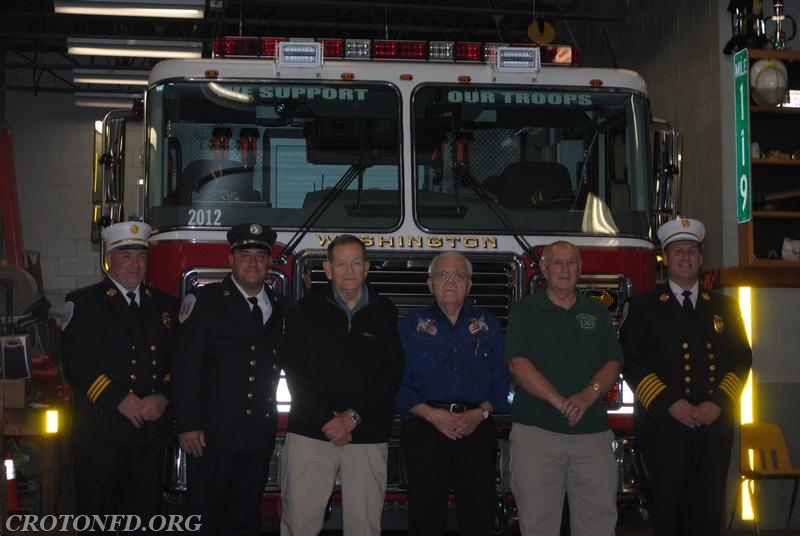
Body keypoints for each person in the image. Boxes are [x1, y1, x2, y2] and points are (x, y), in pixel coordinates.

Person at [620, 217, 752, 536]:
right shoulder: (643, 306)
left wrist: (718, 403)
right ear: (665, 259)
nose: (685, 256)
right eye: (677, 250)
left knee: (708, 511)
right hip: (664, 428)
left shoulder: (725, 307)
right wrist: (671, 404)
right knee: (668, 511)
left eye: (692, 250)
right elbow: (632, 362)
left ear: (701, 257)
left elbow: (742, 360)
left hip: (713, 427)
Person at [280, 234, 404, 536]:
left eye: (356, 263)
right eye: (341, 263)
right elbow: (294, 369)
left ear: (367, 268)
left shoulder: (385, 312)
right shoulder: (305, 309)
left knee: (364, 526)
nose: (349, 270)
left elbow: (392, 372)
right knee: (299, 524)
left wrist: (354, 417)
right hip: (311, 431)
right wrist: (327, 418)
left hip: (366, 434)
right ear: (328, 268)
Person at [172, 223, 287, 536]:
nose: (253, 262)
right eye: (244, 254)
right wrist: (188, 424)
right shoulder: (204, 301)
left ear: (269, 262)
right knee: (205, 516)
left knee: (245, 517)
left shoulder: (279, 307)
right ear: (231, 259)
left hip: (257, 435)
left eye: (260, 256)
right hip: (211, 435)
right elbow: (185, 367)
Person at [504, 240, 621, 536]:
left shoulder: (597, 312)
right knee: (538, 525)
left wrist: (586, 396)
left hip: (592, 436)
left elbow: (613, 362)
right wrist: (561, 403)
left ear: (581, 268)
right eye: (557, 262)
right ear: (544, 269)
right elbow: (518, 365)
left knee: (598, 524)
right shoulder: (524, 311)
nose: (565, 269)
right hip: (536, 436)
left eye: (571, 263)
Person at [60, 221, 176, 519]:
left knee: (145, 519)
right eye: (126, 255)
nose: (135, 264)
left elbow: (178, 362)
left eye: (141, 255)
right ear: (108, 259)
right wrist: (120, 399)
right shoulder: (84, 303)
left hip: (149, 434)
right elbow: (75, 362)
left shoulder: (165, 306)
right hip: (101, 434)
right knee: (98, 517)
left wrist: (163, 396)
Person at [396, 251, 510, 536]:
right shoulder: (409, 326)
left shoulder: (489, 325)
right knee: (424, 516)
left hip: (476, 426)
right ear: (430, 284)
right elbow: (397, 381)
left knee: (478, 514)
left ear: (469, 285)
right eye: (442, 276)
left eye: (459, 276)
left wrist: (480, 413)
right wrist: (432, 415)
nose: (450, 282)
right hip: (424, 428)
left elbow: (502, 380)